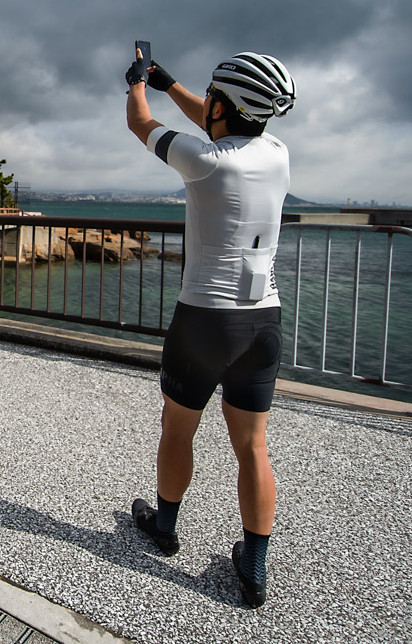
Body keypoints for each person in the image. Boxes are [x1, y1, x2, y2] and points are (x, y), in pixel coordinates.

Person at [124, 48, 295, 608]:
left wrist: (139, 84)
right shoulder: (276, 152)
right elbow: (216, 122)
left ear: (223, 105)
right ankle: (254, 565)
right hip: (263, 321)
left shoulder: (207, 160)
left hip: (205, 321)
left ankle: (165, 527)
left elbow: (140, 124)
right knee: (252, 446)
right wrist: (171, 81)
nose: (207, 104)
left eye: (212, 96)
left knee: (179, 428)